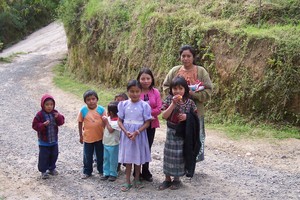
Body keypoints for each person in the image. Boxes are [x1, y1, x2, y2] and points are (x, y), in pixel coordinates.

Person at [162, 45, 213, 162]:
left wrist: (192, 94)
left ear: (193, 57)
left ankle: (192, 162)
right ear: (180, 57)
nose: (186, 58)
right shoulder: (174, 71)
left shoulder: (201, 71)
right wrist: (175, 96)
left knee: (195, 136)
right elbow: (166, 86)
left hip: (195, 112)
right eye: (183, 56)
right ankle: (178, 162)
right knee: (177, 137)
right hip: (176, 112)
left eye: (188, 56)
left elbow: (208, 90)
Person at [159, 76, 198, 190]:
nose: (177, 91)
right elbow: (164, 115)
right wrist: (173, 104)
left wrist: (187, 117)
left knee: (179, 155)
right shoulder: (168, 99)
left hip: (183, 133)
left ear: (185, 89)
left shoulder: (190, 102)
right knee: (168, 154)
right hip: (171, 132)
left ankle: (177, 179)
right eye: (175, 88)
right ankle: (167, 179)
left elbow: (196, 117)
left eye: (180, 88)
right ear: (171, 89)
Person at [117, 80, 152, 192]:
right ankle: (127, 181)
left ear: (141, 91)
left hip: (139, 135)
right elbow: (119, 121)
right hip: (127, 135)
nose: (135, 94)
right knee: (128, 159)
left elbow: (147, 122)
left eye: (137, 91)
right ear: (128, 92)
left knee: (138, 157)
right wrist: (125, 131)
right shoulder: (123, 104)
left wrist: (137, 132)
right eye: (132, 91)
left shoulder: (145, 105)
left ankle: (137, 179)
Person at [135, 67, 162, 182]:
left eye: (148, 78)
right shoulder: (136, 91)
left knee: (147, 147)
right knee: (137, 147)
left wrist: (146, 113)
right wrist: (147, 113)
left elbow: (159, 108)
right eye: (143, 78)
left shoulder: (155, 92)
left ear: (152, 79)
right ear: (139, 79)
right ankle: (136, 171)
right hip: (138, 125)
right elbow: (133, 106)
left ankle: (146, 170)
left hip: (151, 124)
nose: (145, 81)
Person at [32, 94, 65, 179]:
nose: (49, 107)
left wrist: (58, 117)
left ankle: (51, 168)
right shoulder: (39, 115)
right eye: (47, 105)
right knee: (44, 156)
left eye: (51, 104)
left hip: (54, 140)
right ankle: (43, 171)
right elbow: (35, 125)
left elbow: (61, 122)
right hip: (44, 141)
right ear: (43, 105)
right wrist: (42, 125)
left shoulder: (55, 113)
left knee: (54, 154)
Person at [77, 90, 106, 179]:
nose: (91, 101)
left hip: (100, 137)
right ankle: (87, 171)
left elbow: (106, 122)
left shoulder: (101, 110)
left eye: (93, 99)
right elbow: (80, 122)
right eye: (88, 100)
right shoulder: (83, 110)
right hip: (88, 138)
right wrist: (80, 135)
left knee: (100, 155)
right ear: (85, 101)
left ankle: (101, 170)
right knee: (87, 156)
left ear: (97, 99)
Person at [100, 101, 120, 182]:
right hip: (106, 142)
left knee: (113, 159)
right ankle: (106, 172)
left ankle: (113, 173)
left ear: (111, 112)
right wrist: (104, 120)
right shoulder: (108, 119)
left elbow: (110, 130)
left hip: (114, 143)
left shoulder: (118, 122)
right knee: (106, 158)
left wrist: (106, 122)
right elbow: (103, 125)